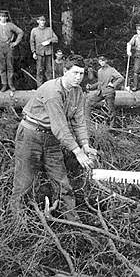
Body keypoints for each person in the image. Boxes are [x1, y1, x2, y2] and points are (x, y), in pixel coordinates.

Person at [9, 55, 98, 223]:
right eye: (75, 73)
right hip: (31, 136)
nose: (79, 77)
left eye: (81, 73)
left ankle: (73, 222)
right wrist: (77, 151)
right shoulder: (52, 91)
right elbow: (60, 126)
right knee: (24, 182)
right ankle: (17, 223)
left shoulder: (77, 92)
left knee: (62, 180)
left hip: (51, 139)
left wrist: (85, 145)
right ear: (65, 71)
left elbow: (79, 121)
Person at [0, 9, 24, 92]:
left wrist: (15, 43)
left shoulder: (10, 25)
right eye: (1, 16)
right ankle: (4, 84)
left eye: (5, 16)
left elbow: (20, 32)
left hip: (9, 46)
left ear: (6, 17)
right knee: (1, 66)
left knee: (10, 65)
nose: (3, 18)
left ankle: (10, 84)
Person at [86, 55, 124, 127]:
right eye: (100, 61)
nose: (102, 63)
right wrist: (91, 87)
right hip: (101, 92)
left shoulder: (111, 70)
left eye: (103, 61)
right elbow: (100, 82)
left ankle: (112, 127)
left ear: (106, 61)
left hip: (109, 92)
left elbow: (121, 78)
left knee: (111, 110)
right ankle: (87, 123)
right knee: (89, 102)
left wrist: (113, 85)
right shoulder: (99, 71)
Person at [30, 15, 58, 87]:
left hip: (48, 53)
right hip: (39, 53)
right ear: (38, 21)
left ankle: (50, 87)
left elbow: (56, 39)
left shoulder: (49, 30)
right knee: (39, 71)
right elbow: (32, 42)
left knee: (49, 71)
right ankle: (39, 87)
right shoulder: (34, 30)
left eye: (44, 21)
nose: (42, 22)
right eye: (41, 20)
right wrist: (33, 52)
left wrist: (49, 41)